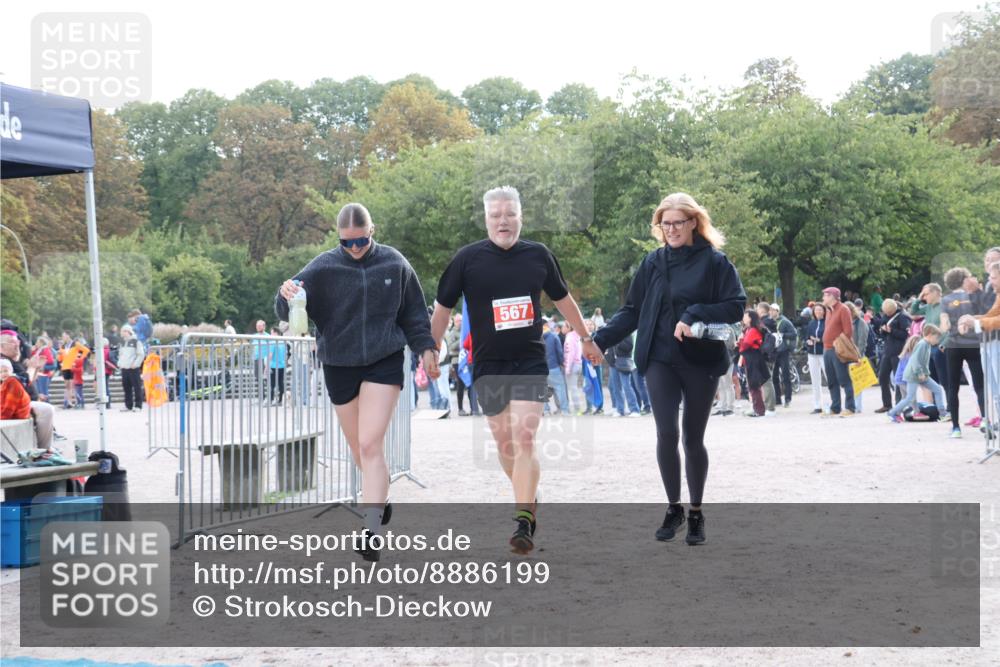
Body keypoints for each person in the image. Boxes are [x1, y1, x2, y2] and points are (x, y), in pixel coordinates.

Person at [430, 186, 602, 555]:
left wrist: (586, 338)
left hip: (530, 360)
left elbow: (564, 300)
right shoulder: (467, 259)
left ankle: (523, 518)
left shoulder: (538, 255)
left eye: (510, 214)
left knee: (524, 438)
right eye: (496, 215)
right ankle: (529, 493)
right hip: (488, 364)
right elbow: (443, 309)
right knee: (504, 443)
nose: (503, 221)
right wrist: (431, 348)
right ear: (486, 219)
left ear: (521, 217)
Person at [276, 202, 438, 562]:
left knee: (369, 443)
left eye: (361, 241)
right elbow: (288, 307)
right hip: (339, 364)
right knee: (358, 449)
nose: (354, 248)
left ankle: (371, 529)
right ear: (338, 238)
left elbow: (414, 314)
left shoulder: (395, 263)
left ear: (372, 231)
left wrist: (426, 348)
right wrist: (285, 294)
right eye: (346, 242)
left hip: (384, 360)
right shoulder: (323, 266)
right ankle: (381, 498)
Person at [592, 192, 746, 545]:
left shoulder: (715, 262)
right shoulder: (652, 262)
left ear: (694, 222)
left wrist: (693, 314)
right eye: (665, 224)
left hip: (700, 359)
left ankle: (696, 512)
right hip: (658, 357)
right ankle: (674, 507)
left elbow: (736, 306)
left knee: (693, 438)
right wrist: (599, 340)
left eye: (678, 222)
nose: (671, 229)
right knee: (666, 433)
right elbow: (632, 310)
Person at [939, 267, 986, 438]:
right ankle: (985, 419)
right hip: (973, 344)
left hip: (954, 345)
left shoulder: (945, 300)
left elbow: (944, 327)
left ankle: (956, 428)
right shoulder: (973, 297)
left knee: (953, 387)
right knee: (979, 384)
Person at [887, 325, 947, 422]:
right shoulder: (922, 344)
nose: (937, 340)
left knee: (937, 389)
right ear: (930, 335)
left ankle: (942, 413)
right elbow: (915, 360)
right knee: (909, 398)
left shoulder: (927, 345)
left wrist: (925, 373)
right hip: (913, 375)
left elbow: (924, 362)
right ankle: (892, 413)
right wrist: (920, 373)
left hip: (922, 375)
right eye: (936, 338)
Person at [821, 287, 857, 417]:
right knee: (831, 380)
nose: (823, 298)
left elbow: (848, 331)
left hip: (837, 349)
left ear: (832, 296)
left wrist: (838, 345)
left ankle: (850, 407)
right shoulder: (829, 310)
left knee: (844, 379)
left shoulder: (843, 309)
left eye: (825, 295)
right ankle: (835, 407)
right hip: (826, 349)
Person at [872, 299, 911, 413]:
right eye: (886, 312)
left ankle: (899, 404)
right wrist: (883, 330)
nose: (887, 314)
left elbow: (905, 335)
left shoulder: (903, 317)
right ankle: (887, 404)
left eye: (889, 312)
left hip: (899, 351)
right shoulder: (885, 316)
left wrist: (891, 331)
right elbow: (882, 333)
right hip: (887, 351)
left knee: (898, 379)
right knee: (882, 377)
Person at [909, 282, 947, 393]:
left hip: (940, 347)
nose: (924, 297)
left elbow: (950, 327)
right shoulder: (928, 307)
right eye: (923, 295)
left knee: (945, 380)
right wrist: (918, 299)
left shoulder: (945, 306)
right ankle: (936, 403)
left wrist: (943, 344)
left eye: (926, 294)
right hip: (929, 347)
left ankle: (950, 403)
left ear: (935, 293)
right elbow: (913, 311)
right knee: (932, 382)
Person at [739, 310, 769, 417]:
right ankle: (756, 408)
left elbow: (746, 344)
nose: (743, 318)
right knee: (752, 384)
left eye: (745, 316)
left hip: (753, 358)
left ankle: (759, 410)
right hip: (751, 358)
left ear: (750, 318)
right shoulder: (749, 329)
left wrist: (740, 342)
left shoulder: (752, 330)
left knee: (754, 384)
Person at [769, 303, 797, 408]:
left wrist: (783, 335)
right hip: (774, 352)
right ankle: (777, 399)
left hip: (783, 351)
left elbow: (794, 334)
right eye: (770, 310)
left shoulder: (785, 321)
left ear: (777, 311)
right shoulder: (769, 322)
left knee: (786, 376)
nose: (771, 312)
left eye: (773, 310)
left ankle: (788, 399)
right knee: (774, 376)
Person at [607, 332, 641, 417]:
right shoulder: (611, 332)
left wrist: (617, 342)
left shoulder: (626, 332)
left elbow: (629, 346)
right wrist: (609, 358)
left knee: (626, 386)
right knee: (616, 388)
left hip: (623, 361)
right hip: (613, 363)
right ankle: (620, 410)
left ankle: (635, 409)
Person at [802, 304, 828, 414]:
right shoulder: (811, 323)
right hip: (812, 354)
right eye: (816, 310)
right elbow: (807, 337)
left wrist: (819, 340)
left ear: (824, 311)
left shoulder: (827, 322)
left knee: (829, 378)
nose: (818, 312)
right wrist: (808, 341)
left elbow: (828, 338)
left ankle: (835, 403)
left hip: (823, 353)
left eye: (820, 310)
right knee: (815, 380)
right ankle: (817, 405)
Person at [845, 302, 869, 413]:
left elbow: (862, 342)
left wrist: (858, 356)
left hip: (855, 356)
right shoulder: (845, 322)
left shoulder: (860, 323)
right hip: (845, 355)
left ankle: (857, 406)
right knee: (848, 382)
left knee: (857, 382)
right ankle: (850, 404)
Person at [542, 319, 569, 415]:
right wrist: (561, 363)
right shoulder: (553, 336)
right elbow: (559, 352)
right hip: (553, 366)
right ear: (546, 325)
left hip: (540, 368)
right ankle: (564, 410)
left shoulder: (535, 337)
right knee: (560, 388)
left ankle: (546, 410)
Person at [117, 324, 145, 412]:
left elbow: (141, 354)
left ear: (128, 331)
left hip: (133, 368)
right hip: (124, 368)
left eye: (124, 331)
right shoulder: (122, 343)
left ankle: (138, 406)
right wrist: (120, 363)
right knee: (126, 388)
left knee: (137, 387)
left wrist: (135, 364)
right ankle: (128, 405)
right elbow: (120, 355)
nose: (122, 333)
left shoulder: (136, 342)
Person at [563, 323, 586, 415]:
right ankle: (578, 408)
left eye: (564, 326)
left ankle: (577, 409)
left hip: (572, 365)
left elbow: (570, 353)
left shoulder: (570, 338)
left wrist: (568, 368)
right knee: (574, 387)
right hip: (578, 364)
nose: (562, 328)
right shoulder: (577, 336)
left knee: (573, 388)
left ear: (569, 328)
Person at [30, 337, 56, 403]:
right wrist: (32, 351)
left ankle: (47, 405)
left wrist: (42, 365)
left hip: (43, 375)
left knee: (43, 392)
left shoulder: (45, 350)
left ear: (41, 343)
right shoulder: (39, 350)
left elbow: (51, 362)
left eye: (37, 342)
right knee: (39, 392)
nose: (36, 343)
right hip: (37, 374)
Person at [268, 326, 288, 405]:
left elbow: (270, 355)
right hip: (282, 366)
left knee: (272, 384)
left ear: (275, 333)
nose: (270, 335)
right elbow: (286, 355)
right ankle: (281, 400)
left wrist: (266, 367)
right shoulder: (283, 342)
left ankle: (271, 400)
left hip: (273, 365)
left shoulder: (273, 342)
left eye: (271, 333)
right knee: (281, 383)